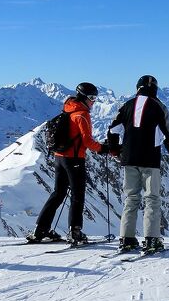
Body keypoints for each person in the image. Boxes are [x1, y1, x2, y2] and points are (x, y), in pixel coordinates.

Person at [107, 75, 169, 252]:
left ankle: (126, 239)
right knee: (152, 199)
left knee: (131, 198)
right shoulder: (159, 107)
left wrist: (115, 150)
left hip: (128, 159)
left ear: (137, 89)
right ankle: (151, 239)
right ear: (155, 90)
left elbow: (112, 130)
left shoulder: (125, 106)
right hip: (150, 160)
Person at [28, 82, 109, 244]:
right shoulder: (82, 115)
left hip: (59, 157)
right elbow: (87, 141)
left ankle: (40, 229)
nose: (93, 101)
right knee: (77, 196)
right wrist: (102, 148)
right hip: (74, 159)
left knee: (58, 193)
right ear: (84, 97)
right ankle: (75, 232)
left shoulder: (68, 110)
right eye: (92, 98)